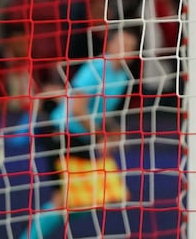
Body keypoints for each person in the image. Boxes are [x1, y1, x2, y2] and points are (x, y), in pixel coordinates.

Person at [22, 26, 139, 239]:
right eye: (122, 45)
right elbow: (77, 109)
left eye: (131, 47)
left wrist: (114, 132)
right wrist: (101, 135)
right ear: (110, 45)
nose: (126, 50)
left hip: (82, 140)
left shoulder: (122, 77)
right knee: (63, 201)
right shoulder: (95, 68)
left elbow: (100, 112)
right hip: (61, 135)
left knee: (89, 200)